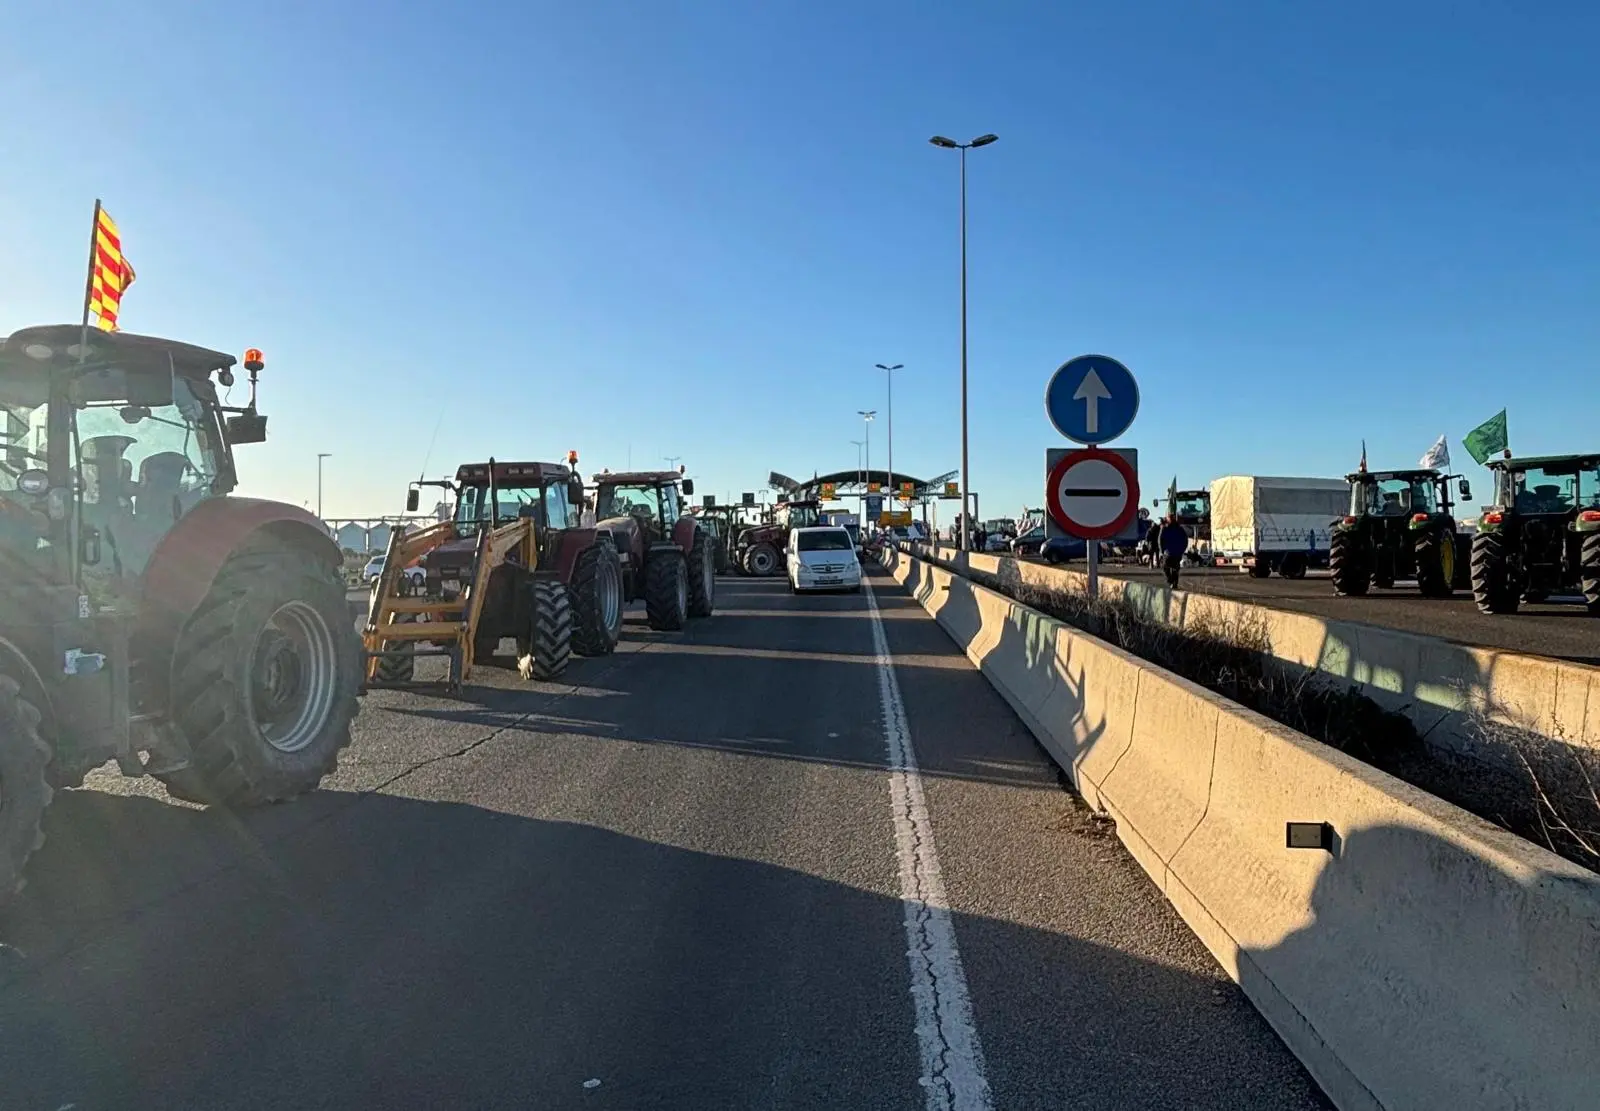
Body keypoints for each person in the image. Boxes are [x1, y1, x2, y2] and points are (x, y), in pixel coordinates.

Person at [1158, 513, 1190, 588]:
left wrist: (1162, 550)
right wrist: (1182, 550)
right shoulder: (1180, 529)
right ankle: (1174, 583)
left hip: (1168, 552)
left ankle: (1170, 580)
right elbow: (1185, 540)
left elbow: (1160, 540)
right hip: (1177, 552)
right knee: (1175, 568)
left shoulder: (1165, 528)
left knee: (1166, 567)